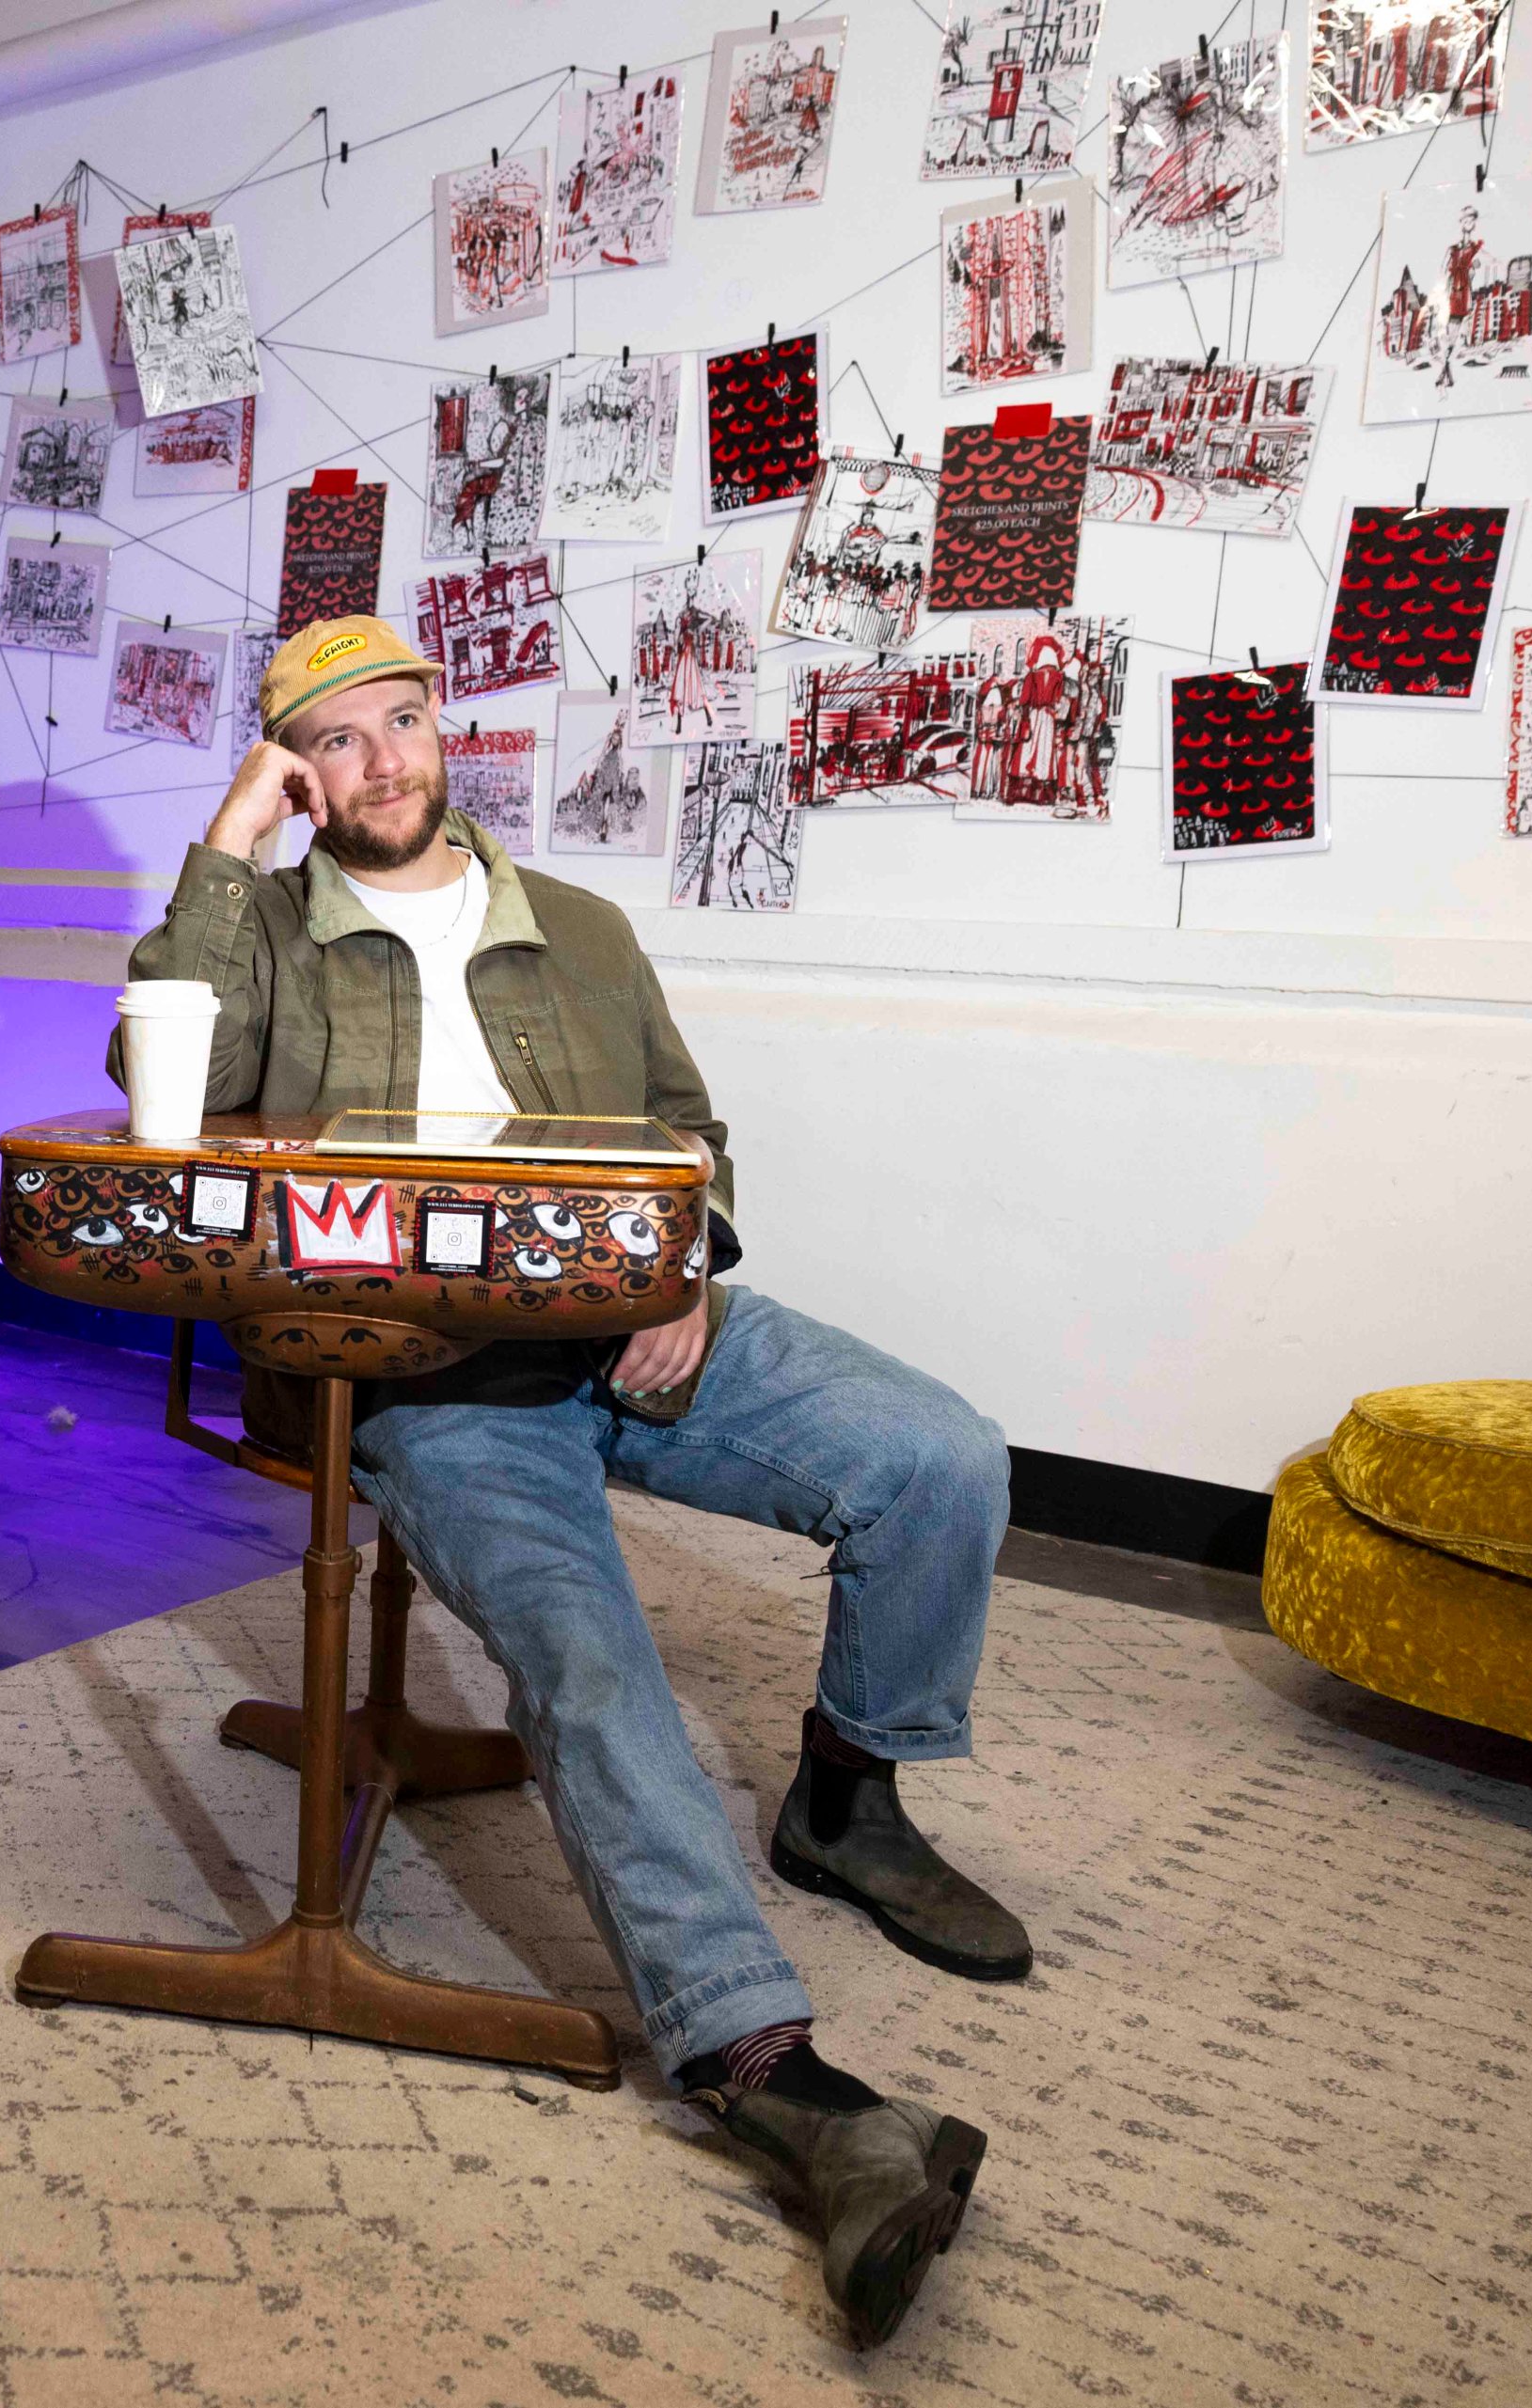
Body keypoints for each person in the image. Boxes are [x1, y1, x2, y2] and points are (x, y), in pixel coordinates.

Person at [116, 617, 1027, 2351]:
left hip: (642, 1327)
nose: (382, 764)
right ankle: (780, 2082)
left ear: (444, 727)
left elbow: (690, 1128)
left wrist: (689, 1266)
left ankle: (848, 1798)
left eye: (402, 723)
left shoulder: (585, 931)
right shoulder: (271, 942)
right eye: (333, 745)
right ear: (297, 770)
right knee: (598, 1669)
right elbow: (170, 1095)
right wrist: (229, 849)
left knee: (942, 1458)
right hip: (435, 1389)